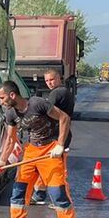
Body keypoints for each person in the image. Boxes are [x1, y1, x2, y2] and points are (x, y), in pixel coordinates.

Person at [0, 81, 80, 218]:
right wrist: (2, 160)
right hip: (31, 151)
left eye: (3, 98)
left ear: (12, 95)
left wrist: (60, 145)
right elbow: (11, 140)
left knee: (57, 193)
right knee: (19, 193)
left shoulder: (38, 104)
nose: (1, 102)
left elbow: (64, 118)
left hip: (50, 150)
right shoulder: (11, 114)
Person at [28, 69, 75, 205]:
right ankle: (40, 194)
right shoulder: (66, 92)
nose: (49, 83)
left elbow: (47, 112)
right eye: (47, 81)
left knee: (56, 169)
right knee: (44, 165)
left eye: (51, 80)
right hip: (62, 134)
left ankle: (62, 200)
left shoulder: (56, 93)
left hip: (57, 135)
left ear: (59, 78)